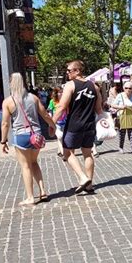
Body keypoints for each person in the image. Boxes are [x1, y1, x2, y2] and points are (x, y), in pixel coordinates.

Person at [0, 73, 55, 207]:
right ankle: (42, 191)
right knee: (34, 162)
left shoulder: (8, 101)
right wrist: (52, 125)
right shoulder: (33, 98)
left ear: (11, 83)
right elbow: (45, 114)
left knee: (26, 166)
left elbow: (5, 123)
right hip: (36, 135)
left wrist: (3, 141)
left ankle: (30, 197)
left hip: (21, 136)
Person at [53, 60, 102, 194]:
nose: (67, 73)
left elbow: (61, 106)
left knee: (67, 152)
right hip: (90, 124)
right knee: (88, 153)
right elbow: (99, 109)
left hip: (74, 124)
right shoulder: (94, 87)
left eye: (69, 70)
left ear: (77, 71)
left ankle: (82, 178)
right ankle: (89, 185)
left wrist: (52, 123)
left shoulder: (70, 85)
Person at [111, 80, 132, 156]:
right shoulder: (120, 95)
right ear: (123, 88)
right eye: (126, 88)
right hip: (122, 116)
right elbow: (113, 105)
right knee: (122, 133)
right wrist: (120, 107)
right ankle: (121, 147)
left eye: (130, 88)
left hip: (131, 116)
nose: (128, 90)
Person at [47, 87, 67, 158]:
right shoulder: (52, 101)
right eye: (59, 92)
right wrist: (50, 121)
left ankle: (59, 151)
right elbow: (49, 111)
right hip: (56, 122)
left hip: (65, 121)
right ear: (56, 93)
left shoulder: (65, 101)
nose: (61, 94)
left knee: (63, 137)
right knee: (59, 137)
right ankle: (64, 153)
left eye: (62, 92)